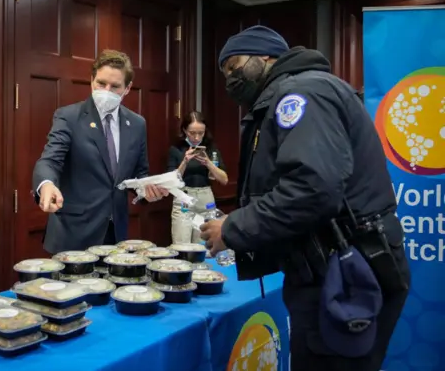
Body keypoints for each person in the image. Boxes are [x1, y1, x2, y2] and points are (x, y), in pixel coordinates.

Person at [199, 25, 410, 371]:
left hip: (342, 271)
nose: (231, 81)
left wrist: (233, 228)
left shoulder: (300, 94)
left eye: (235, 67)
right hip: (337, 263)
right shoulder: (300, 91)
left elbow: (313, 189)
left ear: (265, 56)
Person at [32, 49, 168, 254]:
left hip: (116, 235)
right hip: (74, 235)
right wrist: (46, 184)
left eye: (115, 87)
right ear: (91, 81)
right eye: (101, 83)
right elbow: (49, 161)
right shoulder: (68, 117)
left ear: (128, 88)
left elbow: (139, 174)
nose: (106, 90)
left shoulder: (137, 124)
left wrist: (148, 191)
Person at [167, 111, 227, 243]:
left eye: (201, 133)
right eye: (192, 133)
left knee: (202, 246)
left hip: (206, 199)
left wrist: (208, 163)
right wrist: (185, 161)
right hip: (184, 198)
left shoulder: (211, 148)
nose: (196, 137)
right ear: (184, 130)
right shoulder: (176, 149)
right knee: (181, 245)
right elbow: (171, 181)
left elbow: (224, 179)